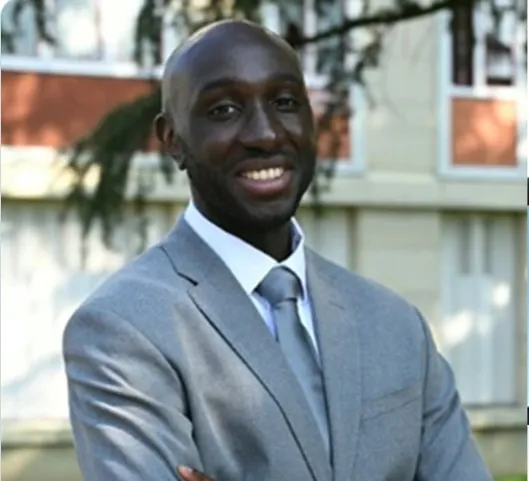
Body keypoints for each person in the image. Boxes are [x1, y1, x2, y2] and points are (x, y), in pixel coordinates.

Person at [63, 19, 492, 481]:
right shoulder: (122, 329)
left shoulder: (397, 326)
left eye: (285, 103)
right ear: (173, 139)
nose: (265, 134)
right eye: (224, 110)